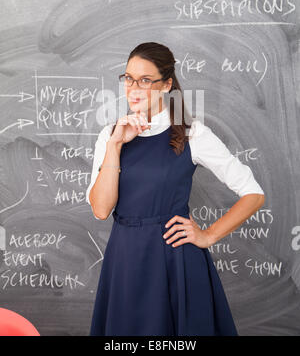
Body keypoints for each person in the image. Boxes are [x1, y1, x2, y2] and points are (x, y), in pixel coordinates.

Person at [86, 42, 265, 336]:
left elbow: (254, 193)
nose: (134, 88)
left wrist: (208, 235)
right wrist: (115, 145)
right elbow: (101, 209)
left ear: (167, 84)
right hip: (125, 259)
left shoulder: (193, 133)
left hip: (175, 261)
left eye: (145, 80)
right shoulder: (110, 135)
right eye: (128, 78)